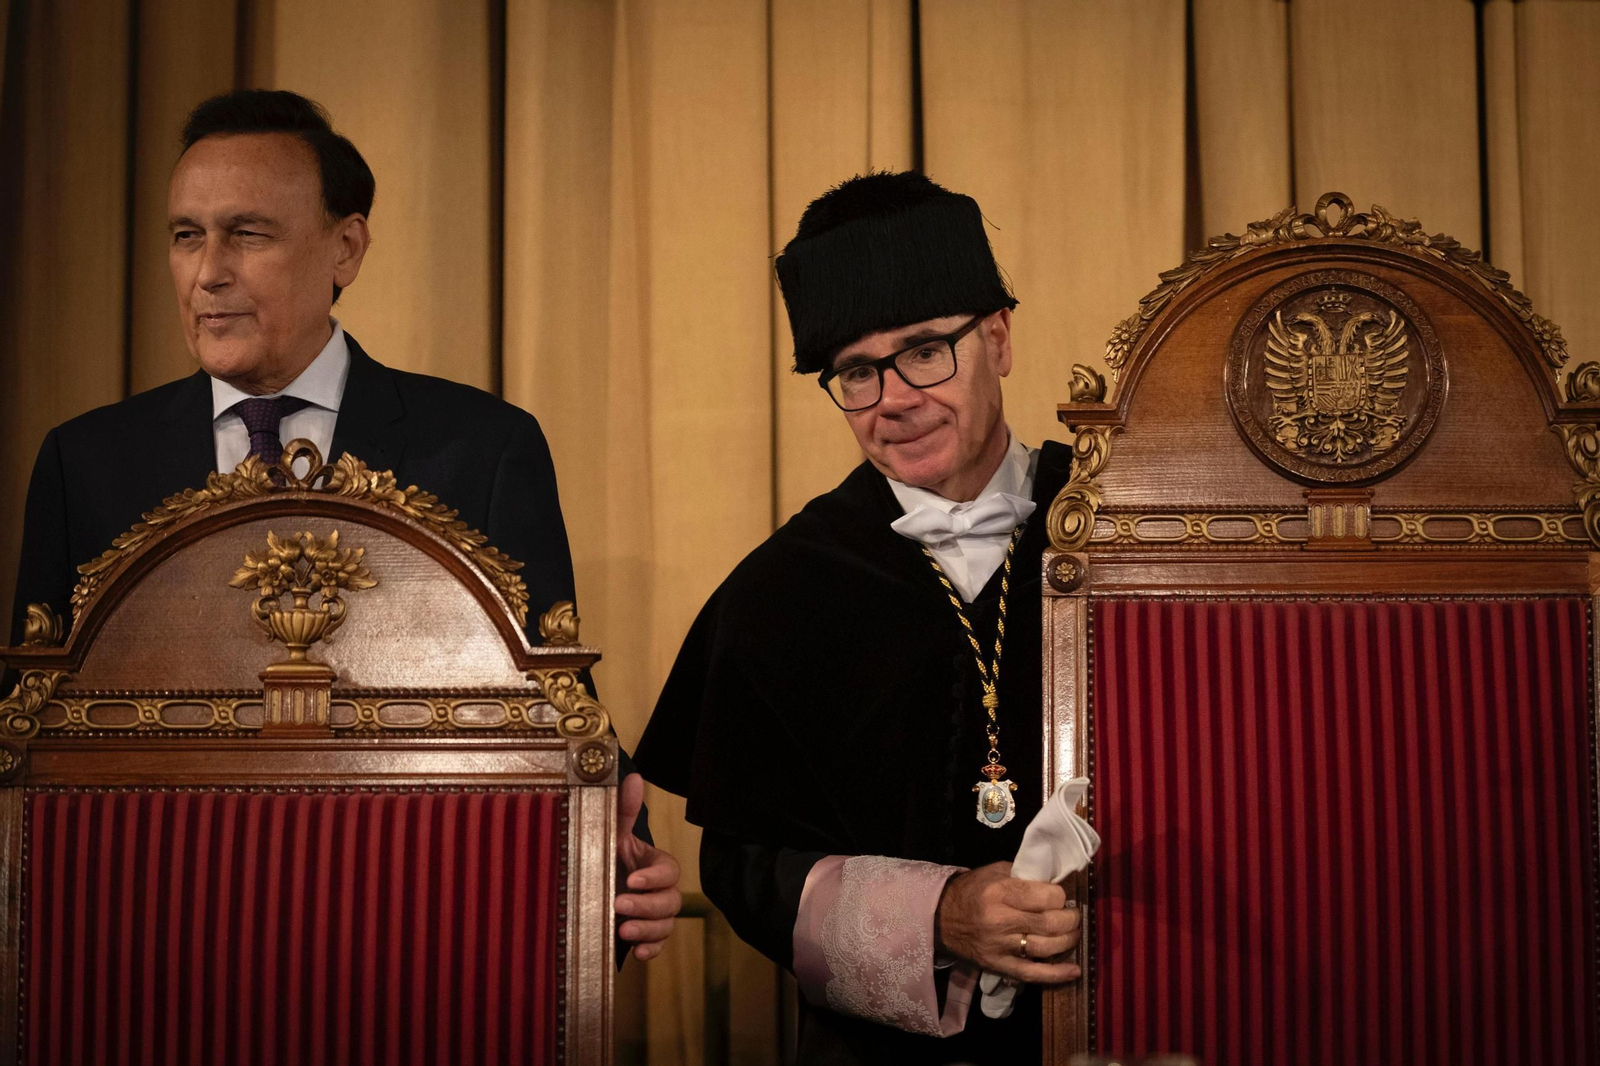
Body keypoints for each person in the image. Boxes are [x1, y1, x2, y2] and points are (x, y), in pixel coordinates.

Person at [7, 89, 679, 960]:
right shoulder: (87, 462)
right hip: (155, 944)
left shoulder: (481, 449)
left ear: (346, 248)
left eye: (248, 234)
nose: (208, 272)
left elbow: (555, 712)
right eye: (186, 235)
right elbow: (28, 735)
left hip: (403, 938)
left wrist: (622, 878)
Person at [636, 171, 1082, 1062]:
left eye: (925, 351)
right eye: (857, 372)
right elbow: (744, 866)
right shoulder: (781, 589)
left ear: (998, 339)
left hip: (1149, 1021)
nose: (894, 400)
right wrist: (937, 917)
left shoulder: (1137, 531)